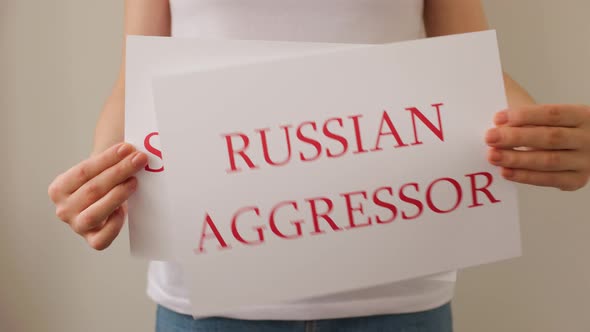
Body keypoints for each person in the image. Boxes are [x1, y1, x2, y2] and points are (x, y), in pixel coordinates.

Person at [47, 0, 590, 331]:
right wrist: (99, 180)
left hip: (398, 291)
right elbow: (134, 78)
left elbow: (472, 64)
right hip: (208, 301)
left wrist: (547, 134)